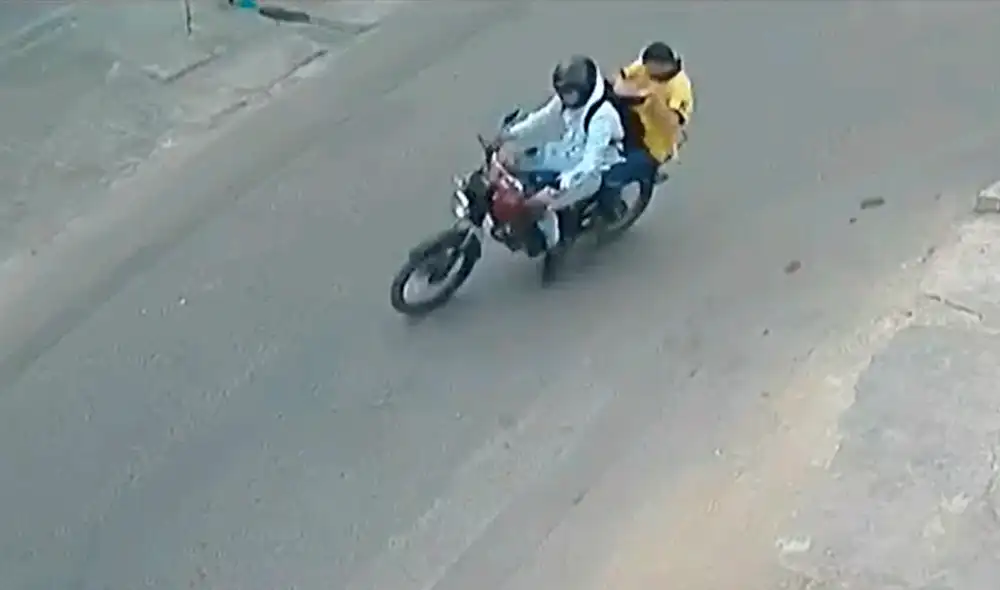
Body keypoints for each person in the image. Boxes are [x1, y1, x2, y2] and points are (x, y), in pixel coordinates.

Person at [495, 55, 626, 274]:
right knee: (518, 166)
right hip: (568, 150)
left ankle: (554, 245)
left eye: (569, 94)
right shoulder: (568, 98)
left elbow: (590, 162)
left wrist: (558, 186)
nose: (565, 98)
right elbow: (542, 117)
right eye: (562, 93)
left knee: (539, 205)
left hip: (591, 170)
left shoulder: (602, 117)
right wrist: (509, 135)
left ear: (584, 90)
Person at [603, 42, 694, 218]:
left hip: (654, 145)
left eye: (652, 68)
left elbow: (673, 122)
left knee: (611, 176)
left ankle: (613, 211)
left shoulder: (679, 87)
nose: (646, 71)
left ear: (665, 65)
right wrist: (621, 88)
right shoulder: (644, 67)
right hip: (633, 124)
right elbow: (621, 75)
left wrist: (653, 100)